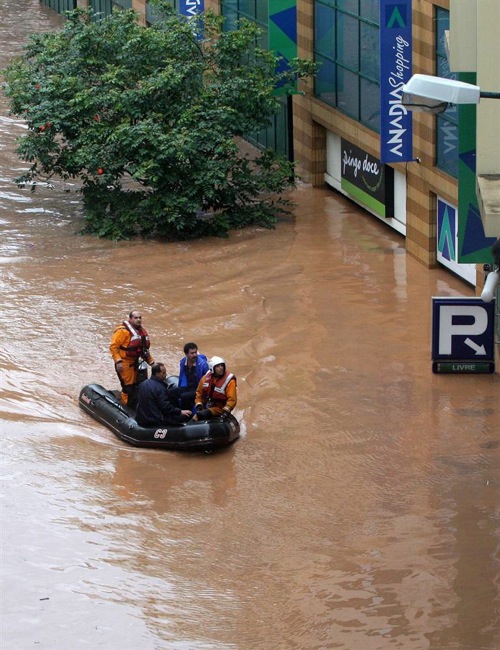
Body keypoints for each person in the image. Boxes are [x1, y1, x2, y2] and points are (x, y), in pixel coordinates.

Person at [110, 310, 154, 406]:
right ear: (130, 319)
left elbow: (144, 350)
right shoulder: (122, 331)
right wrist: (118, 361)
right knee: (128, 388)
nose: (138, 320)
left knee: (137, 386)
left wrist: (152, 363)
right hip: (124, 363)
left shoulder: (141, 333)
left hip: (135, 363)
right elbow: (114, 347)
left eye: (140, 318)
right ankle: (124, 405)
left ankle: (134, 404)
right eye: (136, 318)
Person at [135, 363, 192, 427]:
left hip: (142, 419)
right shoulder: (160, 388)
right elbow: (166, 407)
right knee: (187, 415)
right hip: (155, 421)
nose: (166, 374)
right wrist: (180, 411)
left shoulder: (142, 384)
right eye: (163, 373)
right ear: (157, 374)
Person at [194, 356, 237, 421]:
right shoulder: (205, 378)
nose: (221, 368)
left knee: (202, 414)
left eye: (222, 366)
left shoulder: (229, 381)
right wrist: (199, 404)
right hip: (207, 405)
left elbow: (232, 399)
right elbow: (199, 393)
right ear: (212, 368)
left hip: (219, 408)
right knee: (196, 416)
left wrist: (226, 410)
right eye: (218, 366)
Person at [169, 342, 209, 410]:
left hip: (198, 390)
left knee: (184, 396)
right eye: (192, 353)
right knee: (170, 392)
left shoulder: (203, 365)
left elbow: (208, 381)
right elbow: (181, 377)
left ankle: (186, 415)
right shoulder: (183, 362)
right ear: (186, 354)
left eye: (195, 352)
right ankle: (176, 410)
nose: (195, 355)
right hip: (188, 387)